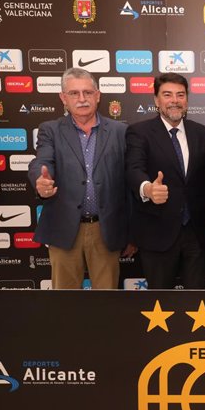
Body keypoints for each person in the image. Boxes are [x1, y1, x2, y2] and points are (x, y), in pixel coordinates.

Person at [28, 67, 134, 289]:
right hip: (64, 226)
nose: (82, 99)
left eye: (87, 92)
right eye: (74, 93)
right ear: (63, 98)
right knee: (64, 305)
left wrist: (132, 232)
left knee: (107, 302)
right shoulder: (50, 130)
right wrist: (41, 180)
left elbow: (130, 183)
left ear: (98, 95)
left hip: (106, 229)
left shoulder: (120, 131)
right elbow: (42, 161)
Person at [125, 73, 205, 289]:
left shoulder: (202, 133)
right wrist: (148, 189)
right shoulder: (139, 132)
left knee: (199, 306)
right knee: (160, 306)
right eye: (167, 94)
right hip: (157, 231)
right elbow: (133, 169)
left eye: (180, 95)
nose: (175, 100)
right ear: (156, 100)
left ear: (187, 99)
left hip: (196, 233)